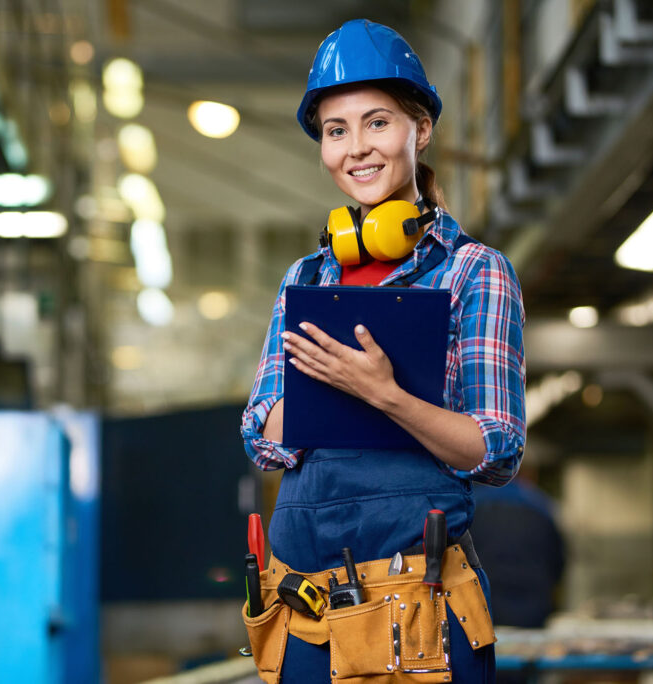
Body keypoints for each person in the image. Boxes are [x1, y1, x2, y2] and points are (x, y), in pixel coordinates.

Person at [239, 19, 526, 684]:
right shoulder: (304, 280)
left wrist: (384, 395)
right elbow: (259, 434)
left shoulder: (472, 271)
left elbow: (496, 449)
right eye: (336, 130)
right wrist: (328, 393)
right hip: (305, 607)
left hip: (420, 610)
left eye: (377, 123)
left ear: (419, 130)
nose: (356, 148)